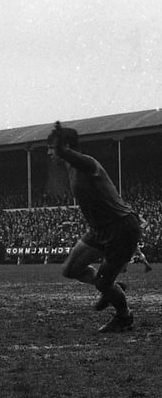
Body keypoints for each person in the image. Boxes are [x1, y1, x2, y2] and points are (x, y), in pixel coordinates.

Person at [48, 121, 142, 333]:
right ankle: (113, 289)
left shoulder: (88, 164)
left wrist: (64, 150)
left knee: (102, 282)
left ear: (67, 147)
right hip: (99, 230)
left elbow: (80, 161)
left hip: (122, 228)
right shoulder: (70, 169)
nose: (50, 153)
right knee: (70, 270)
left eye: (52, 148)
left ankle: (124, 316)